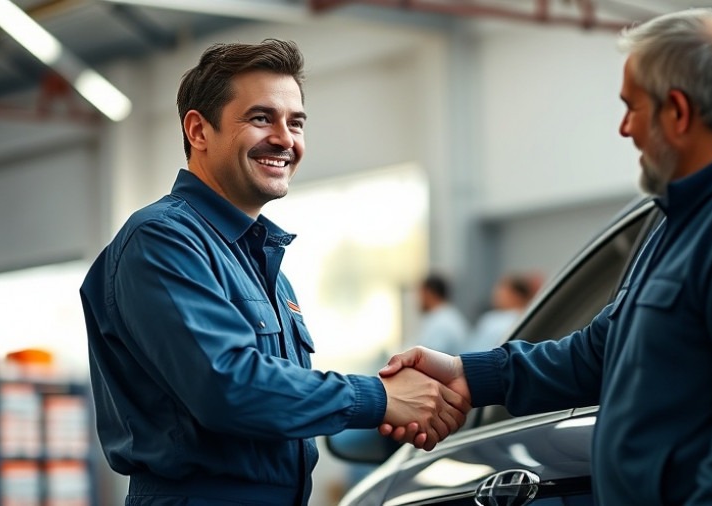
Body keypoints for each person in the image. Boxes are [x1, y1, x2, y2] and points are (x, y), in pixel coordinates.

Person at [380, 8, 712, 505]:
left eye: (632, 107)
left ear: (678, 112)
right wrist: (471, 373)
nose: (625, 129)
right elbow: (599, 353)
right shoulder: (682, 220)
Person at [79, 39, 468, 506]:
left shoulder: (263, 263)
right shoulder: (162, 240)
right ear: (199, 131)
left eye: (296, 122)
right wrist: (382, 398)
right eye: (262, 118)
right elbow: (227, 385)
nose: (286, 139)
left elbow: (274, 392)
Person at [469, 273, 540, 350]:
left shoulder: (494, 320)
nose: (496, 295)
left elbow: (476, 351)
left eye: (502, 291)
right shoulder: (532, 318)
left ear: (516, 295)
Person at [412, 273, 470, 355]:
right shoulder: (448, 315)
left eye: (420, 293)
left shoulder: (441, 323)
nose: (417, 299)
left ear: (429, 293)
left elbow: (425, 359)